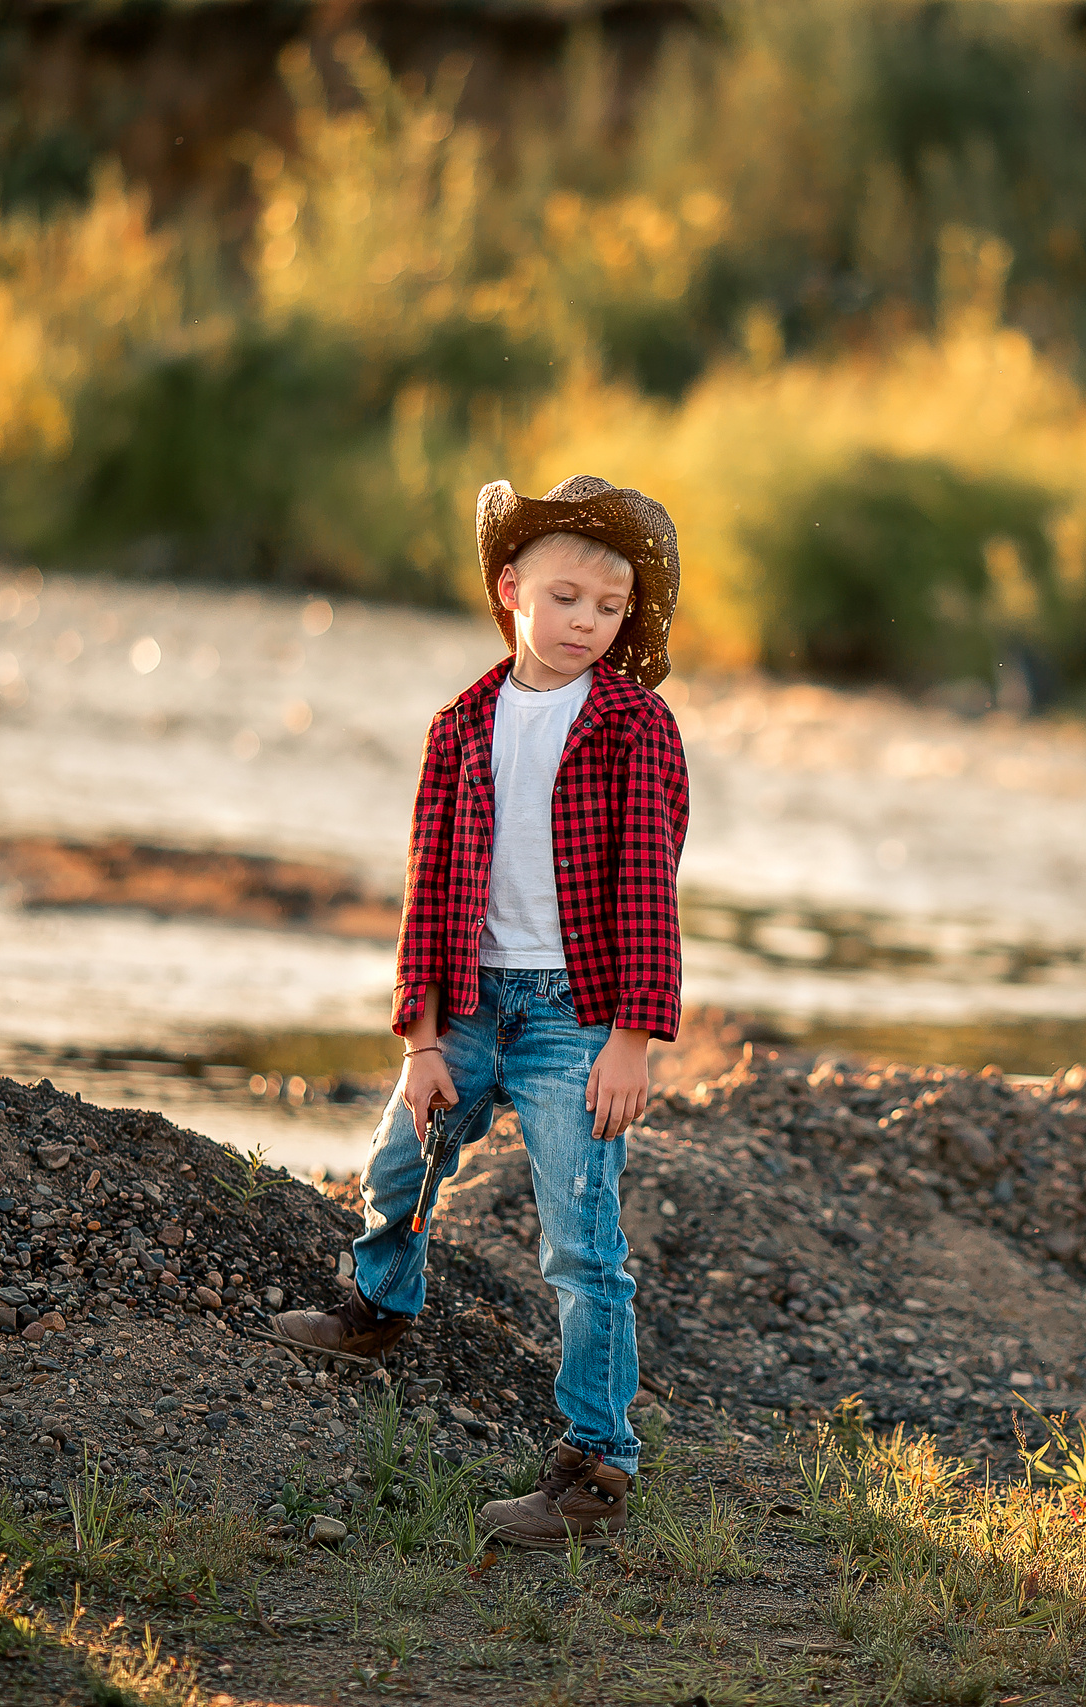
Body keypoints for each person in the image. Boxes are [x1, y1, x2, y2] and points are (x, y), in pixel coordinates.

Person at [271, 475, 688, 1549]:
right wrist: (418, 1039)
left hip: (574, 1019)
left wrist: (630, 1039)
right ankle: (376, 1310)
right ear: (510, 591)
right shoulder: (460, 723)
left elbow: (647, 885)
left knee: (580, 1247)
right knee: (401, 1165)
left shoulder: (637, 728)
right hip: (467, 1003)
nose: (587, 625)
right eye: (565, 599)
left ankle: (595, 1467)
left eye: (609, 610)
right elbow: (427, 886)